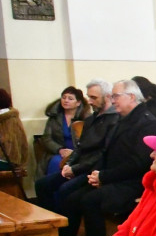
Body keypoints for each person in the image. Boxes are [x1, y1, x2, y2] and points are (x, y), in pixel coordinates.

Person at [58, 79, 156, 236]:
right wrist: (96, 174)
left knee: (90, 200)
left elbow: (139, 163)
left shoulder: (147, 123)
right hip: (113, 177)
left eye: (116, 96)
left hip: (133, 183)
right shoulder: (122, 118)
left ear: (131, 97)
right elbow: (106, 153)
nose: (112, 100)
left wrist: (104, 177)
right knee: (71, 197)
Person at [36, 80, 119, 212]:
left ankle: (66, 231)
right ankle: (52, 224)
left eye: (94, 98)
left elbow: (102, 152)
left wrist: (75, 169)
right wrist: (69, 164)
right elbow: (80, 147)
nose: (90, 102)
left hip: (94, 169)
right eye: (89, 97)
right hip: (80, 165)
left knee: (66, 190)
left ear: (108, 96)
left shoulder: (115, 119)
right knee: (42, 184)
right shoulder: (91, 119)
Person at [39, 86, 89, 176]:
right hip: (58, 153)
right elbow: (46, 138)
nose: (66, 100)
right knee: (55, 162)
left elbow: (89, 140)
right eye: (64, 97)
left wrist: (74, 153)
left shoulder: (86, 118)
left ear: (78, 103)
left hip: (79, 154)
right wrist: (60, 150)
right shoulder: (54, 117)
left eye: (70, 99)